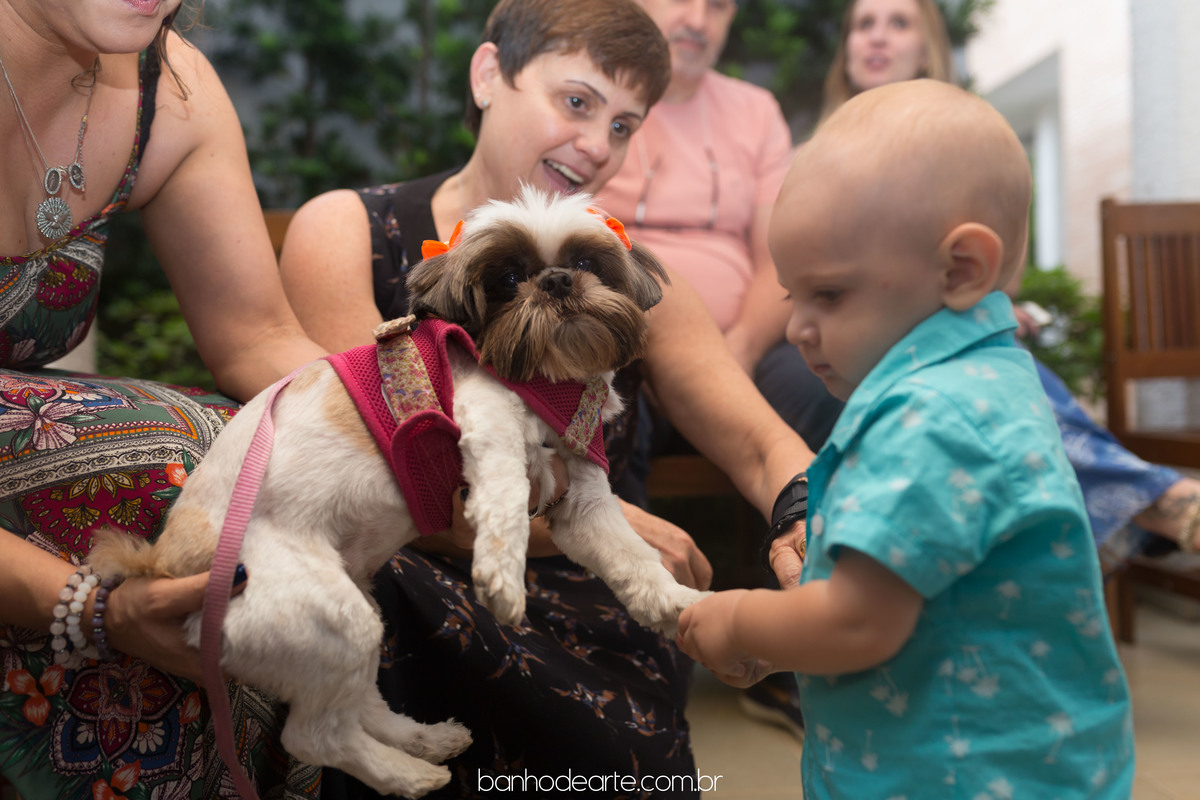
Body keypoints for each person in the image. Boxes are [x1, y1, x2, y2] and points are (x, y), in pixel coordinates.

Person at [278, 1, 815, 797]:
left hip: (598, 601)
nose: (600, 146)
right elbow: (384, 456)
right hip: (418, 567)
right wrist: (604, 529)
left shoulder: (624, 274)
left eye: (626, 125)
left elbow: (758, 441)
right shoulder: (350, 232)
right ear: (490, 73)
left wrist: (808, 513)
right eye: (577, 102)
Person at [676, 79, 1135, 798]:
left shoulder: (932, 418)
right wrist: (788, 637)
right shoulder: (989, 379)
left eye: (829, 294)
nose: (798, 329)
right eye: (795, 297)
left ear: (960, 269)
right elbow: (905, 596)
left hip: (952, 775)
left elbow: (858, 624)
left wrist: (740, 621)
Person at [0, 1, 330, 797]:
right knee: (168, 460)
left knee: (261, 458)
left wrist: (435, 431)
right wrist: (94, 609)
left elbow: (258, 340)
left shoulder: (168, 83)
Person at [822, 0, 1200, 568]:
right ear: (846, 48)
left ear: (927, 47)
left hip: (950, 326)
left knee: (998, 354)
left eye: (898, 23)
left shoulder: (963, 145)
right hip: (875, 332)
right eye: (863, 25)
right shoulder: (814, 156)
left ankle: (1133, 506)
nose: (877, 38)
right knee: (994, 364)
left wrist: (989, 302)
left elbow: (1000, 266)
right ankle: (1145, 501)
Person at [597, 0, 844, 459]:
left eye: (717, 6)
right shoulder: (593, 100)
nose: (697, 20)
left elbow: (779, 261)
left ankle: (809, 527)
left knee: (827, 385)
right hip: (620, 343)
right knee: (593, 400)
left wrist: (740, 350)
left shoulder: (756, 110)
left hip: (742, 345)